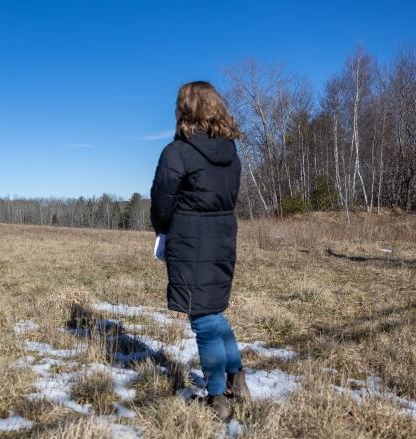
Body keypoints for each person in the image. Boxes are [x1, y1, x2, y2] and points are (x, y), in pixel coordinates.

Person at [149, 81, 249, 421]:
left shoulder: (176, 152)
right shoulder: (231, 152)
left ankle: (218, 398)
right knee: (215, 313)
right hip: (223, 238)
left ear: (184, 110)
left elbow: (162, 203)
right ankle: (239, 380)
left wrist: (162, 229)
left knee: (204, 321)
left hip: (191, 241)